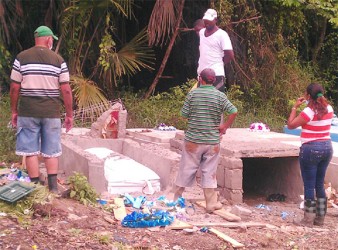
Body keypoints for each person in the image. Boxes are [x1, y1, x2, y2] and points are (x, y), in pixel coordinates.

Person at [10, 26, 73, 193]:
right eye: (52, 39)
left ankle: (36, 188)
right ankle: (53, 189)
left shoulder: (21, 58)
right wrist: (69, 115)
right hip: (51, 113)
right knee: (51, 151)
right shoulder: (58, 60)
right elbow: (66, 89)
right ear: (48, 39)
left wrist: (14, 111)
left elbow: (15, 87)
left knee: (30, 151)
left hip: (28, 111)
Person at [170, 68, 237, 213]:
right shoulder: (220, 96)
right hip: (212, 142)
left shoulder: (193, 94)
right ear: (214, 80)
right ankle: (211, 204)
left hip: (193, 141)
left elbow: (184, 114)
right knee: (209, 172)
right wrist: (224, 127)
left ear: (201, 79)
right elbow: (233, 111)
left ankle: (175, 199)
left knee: (186, 169)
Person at [287, 83, 333, 226]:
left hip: (311, 149)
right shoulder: (330, 108)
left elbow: (291, 125)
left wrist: (295, 107)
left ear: (308, 96)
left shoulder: (308, 112)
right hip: (327, 147)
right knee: (319, 184)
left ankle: (308, 219)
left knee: (309, 185)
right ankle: (320, 218)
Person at [196, 9, 234, 92]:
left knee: (215, 102)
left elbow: (230, 55)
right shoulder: (202, 33)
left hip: (216, 75)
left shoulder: (222, 34)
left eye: (209, 21)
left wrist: (220, 63)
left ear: (216, 20)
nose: (207, 23)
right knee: (203, 103)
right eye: (205, 21)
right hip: (202, 75)